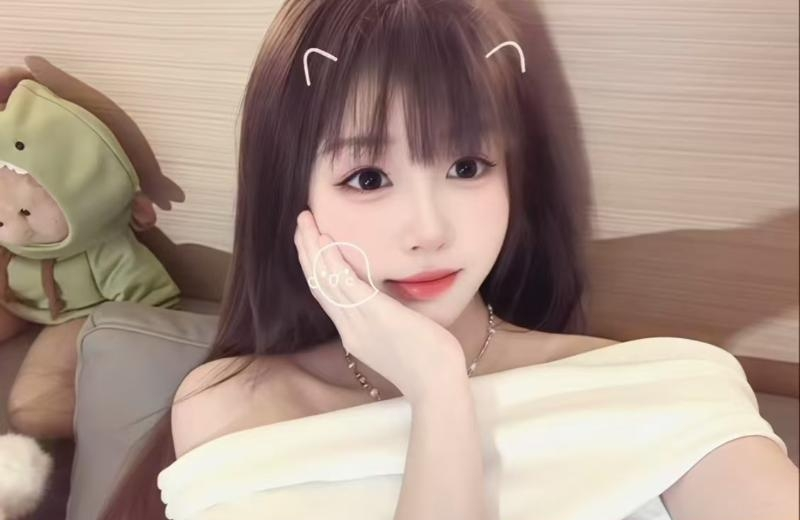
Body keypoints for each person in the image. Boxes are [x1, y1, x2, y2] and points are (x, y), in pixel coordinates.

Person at [99, 0, 799, 519]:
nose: (429, 231)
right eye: (368, 178)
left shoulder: (663, 388)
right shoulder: (233, 407)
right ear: (292, 197)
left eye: (467, 166)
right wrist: (436, 392)